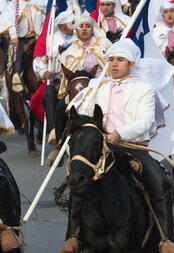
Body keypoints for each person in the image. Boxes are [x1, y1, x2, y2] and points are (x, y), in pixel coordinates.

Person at [60, 39, 174, 253]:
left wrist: (118, 133)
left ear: (131, 63)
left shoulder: (144, 89)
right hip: (101, 147)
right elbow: (84, 114)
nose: (114, 64)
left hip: (132, 147)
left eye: (120, 60)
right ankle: (73, 238)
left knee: (159, 180)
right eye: (112, 60)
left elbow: (146, 121)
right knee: (77, 179)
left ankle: (166, 240)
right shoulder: (97, 86)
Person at [45, 13, 111, 167]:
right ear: (76, 29)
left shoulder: (104, 44)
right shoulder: (70, 49)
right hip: (78, 89)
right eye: (81, 26)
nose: (84, 29)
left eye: (88, 26)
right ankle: (59, 144)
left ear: (92, 28)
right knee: (62, 106)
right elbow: (65, 74)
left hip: (102, 84)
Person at [32, 9, 78, 151]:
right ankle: (54, 131)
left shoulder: (79, 36)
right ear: (63, 25)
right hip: (56, 78)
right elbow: (40, 60)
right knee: (48, 92)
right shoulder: (50, 39)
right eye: (71, 23)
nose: (74, 25)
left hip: (76, 78)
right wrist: (43, 71)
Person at [10, 0, 47, 93]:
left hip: (39, 37)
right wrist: (13, 35)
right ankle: (17, 78)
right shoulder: (15, 4)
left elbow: (46, 20)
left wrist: (40, 33)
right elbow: (10, 22)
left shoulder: (41, 2)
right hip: (23, 38)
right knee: (19, 55)